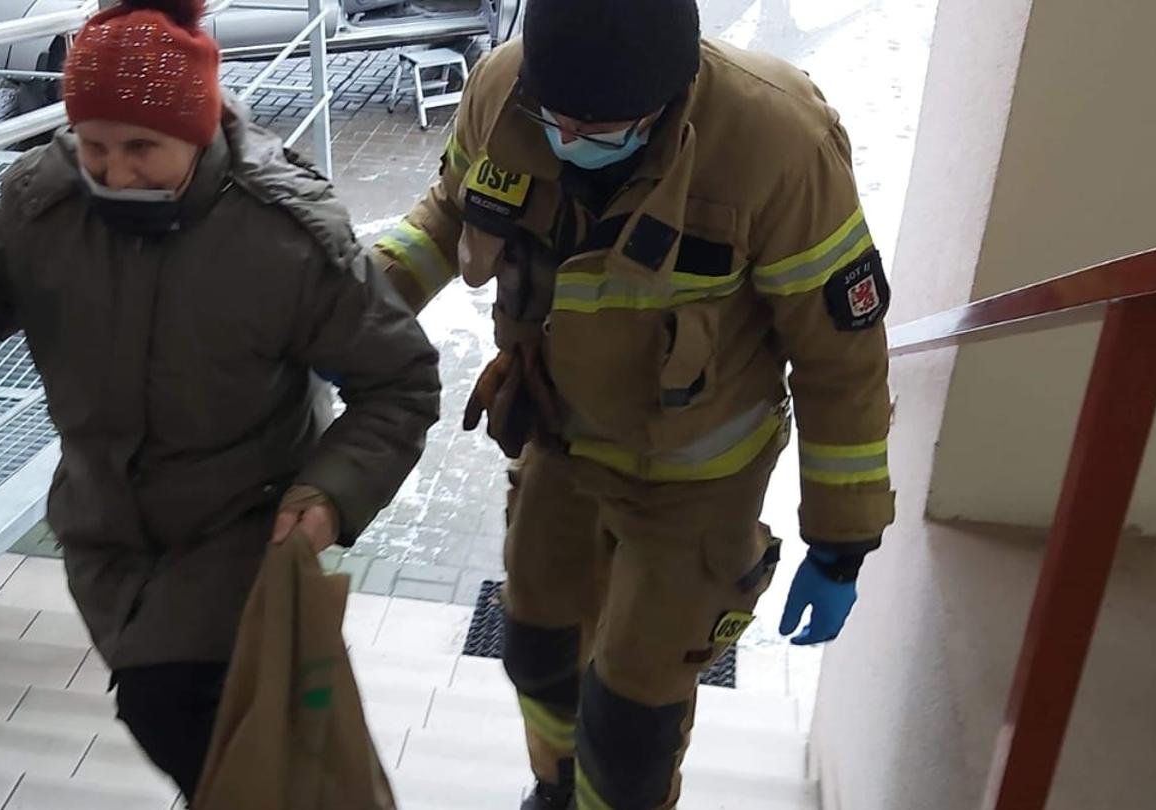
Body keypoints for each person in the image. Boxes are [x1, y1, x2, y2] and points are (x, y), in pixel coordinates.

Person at [0, 0, 441, 801]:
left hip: (239, 529)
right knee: (213, 740)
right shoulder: (50, 193)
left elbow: (400, 382)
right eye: (94, 144)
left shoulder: (283, 235)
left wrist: (331, 493)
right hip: (104, 528)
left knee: (184, 714)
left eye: (143, 147)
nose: (114, 170)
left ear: (200, 129)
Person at [370, 0, 896, 807]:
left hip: (698, 480)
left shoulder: (776, 146)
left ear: (672, 93)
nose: (572, 141)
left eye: (604, 124)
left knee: (632, 715)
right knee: (538, 649)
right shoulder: (505, 90)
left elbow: (840, 361)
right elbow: (447, 213)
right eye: (557, 119)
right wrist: (350, 312)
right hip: (562, 439)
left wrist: (841, 541)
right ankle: (556, 789)